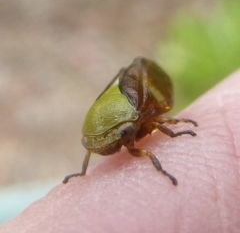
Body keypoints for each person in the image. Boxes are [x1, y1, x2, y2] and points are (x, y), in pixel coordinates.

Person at [1, 70, 240, 233]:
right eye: (92, 144)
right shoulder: (101, 135)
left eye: (123, 135)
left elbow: (155, 122)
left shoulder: (141, 119)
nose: (108, 146)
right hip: (123, 106)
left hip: (139, 104)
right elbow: (96, 143)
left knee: (152, 126)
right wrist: (82, 170)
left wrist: (174, 133)